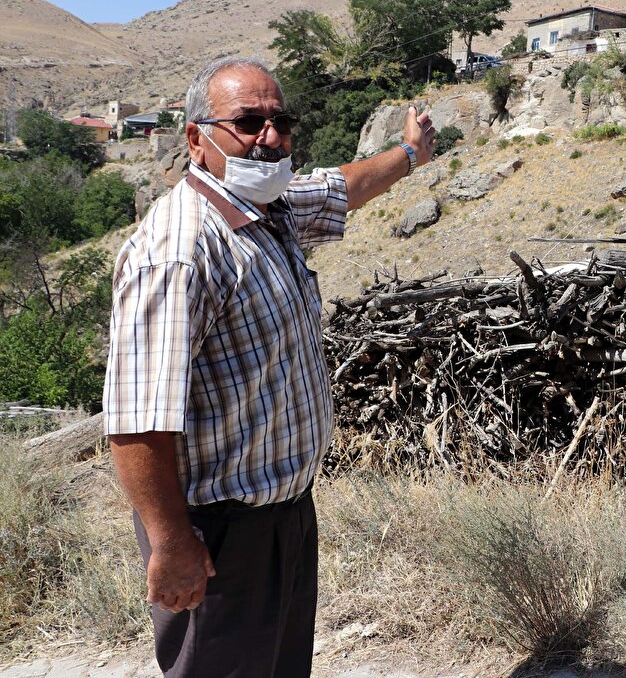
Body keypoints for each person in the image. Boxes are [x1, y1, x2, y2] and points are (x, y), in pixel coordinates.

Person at [103, 56, 436, 677]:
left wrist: (411, 153)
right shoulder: (179, 251)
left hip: (282, 515)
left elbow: (345, 186)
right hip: (217, 536)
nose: (271, 136)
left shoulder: (265, 205)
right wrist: (171, 541)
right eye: (248, 122)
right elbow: (137, 418)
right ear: (197, 138)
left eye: (280, 120)